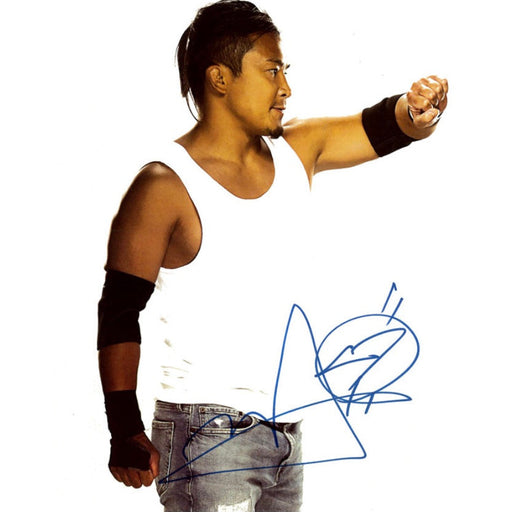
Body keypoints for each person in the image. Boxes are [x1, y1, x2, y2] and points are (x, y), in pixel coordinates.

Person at [97, 1, 448, 511]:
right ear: (220, 78)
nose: (286, 88)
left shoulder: (297, 150)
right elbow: (118, 311)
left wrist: (417, 112)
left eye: (285, 71)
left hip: (286, 434)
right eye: (271, 70)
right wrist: (124, 429)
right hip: (206, 433)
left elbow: (386, 126)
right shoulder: (164, 184)